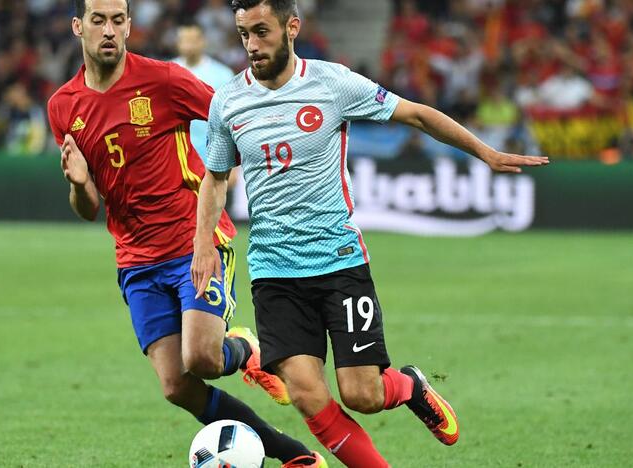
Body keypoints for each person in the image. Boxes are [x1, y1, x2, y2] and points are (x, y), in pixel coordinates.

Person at [192, 0, 550, 466]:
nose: (252, 45)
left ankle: (408, 386)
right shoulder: (228, 101)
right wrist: (203, 244)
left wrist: (486, 153)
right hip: (274, 272)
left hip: (339, 262)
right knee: (305, 394)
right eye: (244, 34)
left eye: (262, 31)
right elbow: (215, 177)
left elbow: (417, 115)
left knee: (361, 393)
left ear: (292, 26)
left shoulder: (333, 83)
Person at [45, 1, 326, 467]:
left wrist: (240, 165)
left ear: (130, 25)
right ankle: (294, 455)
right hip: (135, 260)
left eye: (118, 20)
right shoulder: (63, 107)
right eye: (98, 20)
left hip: (194, 240)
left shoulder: (164, 81)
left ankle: (246, 348)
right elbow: (88, 208)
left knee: (203, 359)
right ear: (79, 27)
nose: (109, 30)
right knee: (177, 386)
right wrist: (78, 184)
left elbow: (232, 117)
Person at [173, 22, 235, 159]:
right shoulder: (167, 73)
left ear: (203, 41)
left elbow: (231, 118)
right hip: (177, 156)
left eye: (193, 40)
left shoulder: (223, 75)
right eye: (185, 40)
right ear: (178, 43)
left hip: (212, 155)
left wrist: (233, 162)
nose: (189, 45)